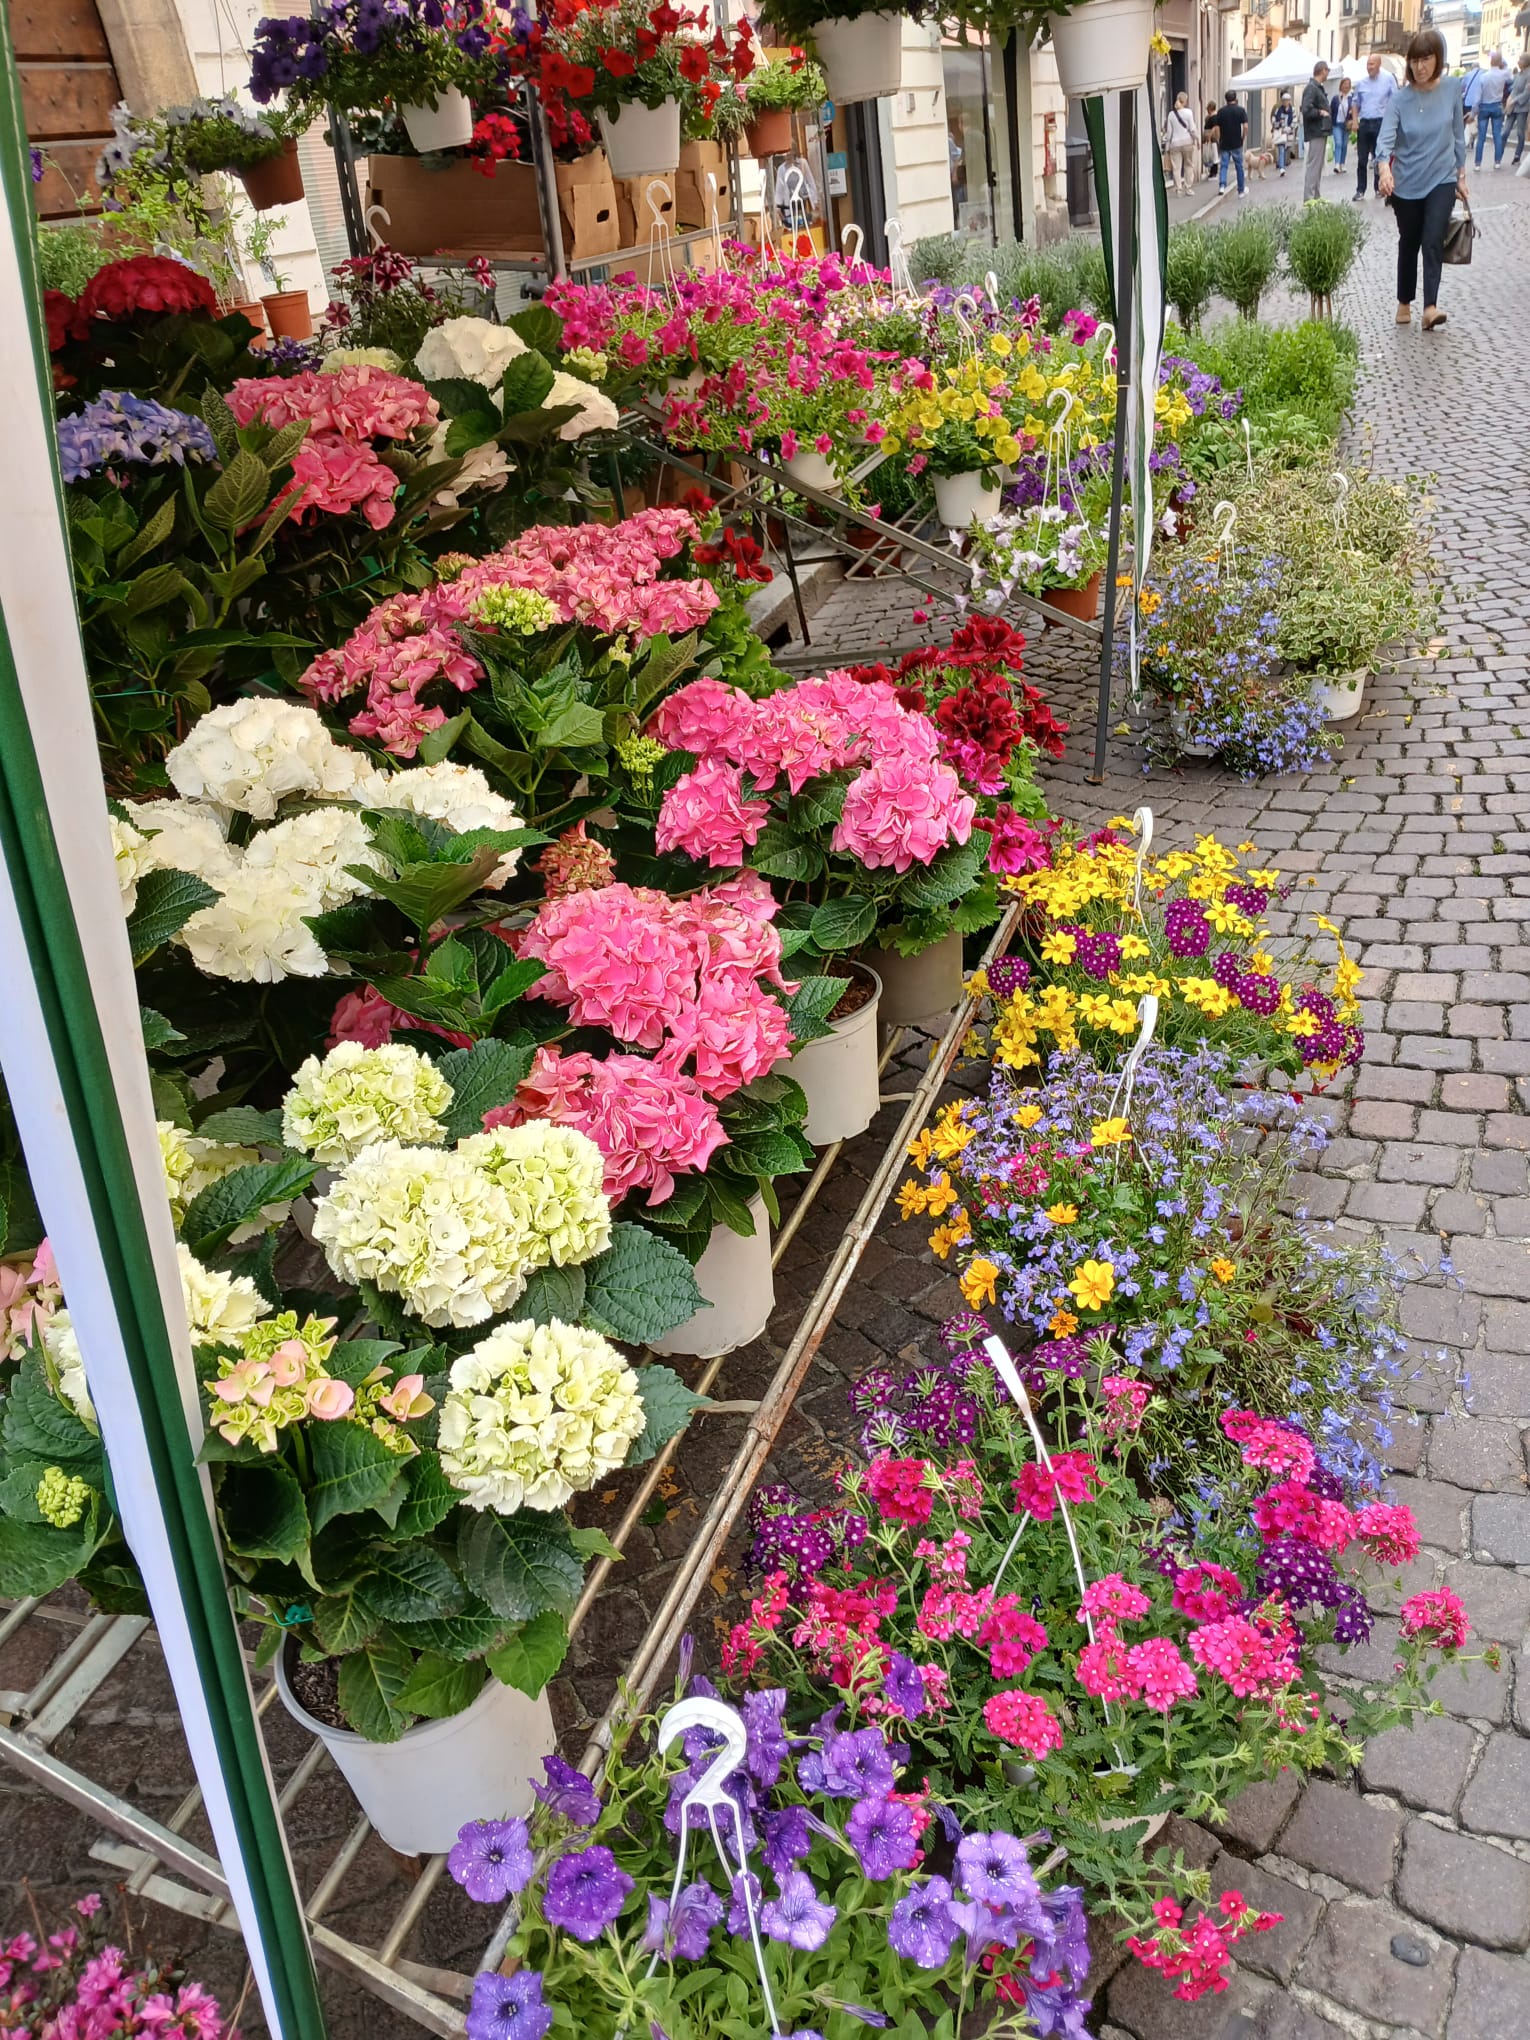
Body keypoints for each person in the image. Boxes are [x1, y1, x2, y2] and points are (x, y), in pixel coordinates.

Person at [1377, 27, 1467, 332]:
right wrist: (1384, 169)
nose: (1420, 66)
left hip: (1441, 179)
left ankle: (1430, 307)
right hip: (1407, 183)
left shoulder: (1453, 89)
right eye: (1415, 60)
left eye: (1426, 58)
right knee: (1410, 242)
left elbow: (1457, 134)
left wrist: (1461, 175)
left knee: (1432, 239)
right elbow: (1386, 139)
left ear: (1437, 59)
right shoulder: (1400, 100)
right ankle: (1404, 300)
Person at [1352, 52, 1397, 198]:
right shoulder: (1361, 83)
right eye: (1368, 64)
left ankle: (1379, 187)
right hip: (1365, 123)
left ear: (1379, 64)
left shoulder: (1388, 79)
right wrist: (1354, 121)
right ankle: (1360, 190)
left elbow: (1395, 100)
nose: (1369, 67)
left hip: (1381, 123)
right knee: (1362, 159)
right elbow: (1355, 103)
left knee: (1380, 157)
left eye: (1371, 64)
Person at [1473, 51, 1512, 167]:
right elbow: (1510, 77)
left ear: (1490, 62)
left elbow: (1477, 97)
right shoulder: (1503, 74)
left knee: (1481, 137)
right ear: (1499, 62)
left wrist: (1474, 111)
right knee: (1497, 135)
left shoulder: (1483, 77)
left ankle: (1478, 163)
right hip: (1497, 105)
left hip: (1484, 106)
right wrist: (1502, 63)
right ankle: (1497, 162)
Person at [1208, 89, 1249, 196]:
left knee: (1224, 165)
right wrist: (1243, 138)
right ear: (1235, 99)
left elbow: (1217, 127)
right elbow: (1245, 126)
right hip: (1236, 142)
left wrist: (1219, 139)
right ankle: (1241, 190)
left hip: (1224, 142)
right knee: (1239, 166)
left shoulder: (1221, 112)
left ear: (1226, 99)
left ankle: (1222, 186)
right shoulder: (1241, 110)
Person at [1301, 60, 1333, 198]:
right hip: (1316, 131)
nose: (1328, 74)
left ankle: (1316, 196)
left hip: (1320, 131)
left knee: (1318, 166)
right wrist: (1320, 112)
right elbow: (1306, 109)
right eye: (1327, 70)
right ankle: (1309, 198)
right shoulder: (1312, 88)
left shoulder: (1317, 87)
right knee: (1314, 166)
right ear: (1323, 70)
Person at [1163, 92, 1200, 192]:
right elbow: (1192, 129)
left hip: (1174, 144)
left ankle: (1178, 188)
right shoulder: (1188, 112)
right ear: (1185, 101)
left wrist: (1167, 147)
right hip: (1187, 143)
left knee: (1176, 167)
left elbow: (1169, 133)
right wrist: (1197, 139)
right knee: (1188, 165)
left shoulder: (1171, 115)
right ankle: (1188, 187)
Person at [1507, 54, 1530, 167]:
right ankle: (1498, 156)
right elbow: (1513, 89)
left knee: (1520, 133)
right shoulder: (1518, 74)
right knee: (1505, 131)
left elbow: (1526, 93)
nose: (1518, 61)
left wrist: (1515, 100)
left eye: (1520, 59)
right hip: (1512, 107)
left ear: (1526, 62)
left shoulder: (1529, 75)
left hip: (1522, 108)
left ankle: (1517, 156)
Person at [1331, 76, 1355, 169]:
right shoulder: (1336, 98)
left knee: (1344, 144)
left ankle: (1342, 163)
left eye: (1348, 85)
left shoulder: (1352, 98)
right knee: (1338, 143)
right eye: (1344, 84)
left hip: (1347, 124)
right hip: (1337, 124)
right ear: (1341, 86)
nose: (1346, 86)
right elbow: (1331, 110)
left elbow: (1356, 109)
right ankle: (1337, 164)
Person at [1271, 89, 1297, 174]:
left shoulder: (1292, 110)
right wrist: (1279, 127)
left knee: (1286, 150)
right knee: (1281, 149)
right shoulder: (1278, 109)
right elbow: (1273, 119)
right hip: (1280, 133)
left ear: (1289, 101)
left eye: (1287, 100)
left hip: (1288, 134)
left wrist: (1288, 129)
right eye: (1284, 100)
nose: (1285, 102)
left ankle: (1282, 164)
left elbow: (1294, 121)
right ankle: (1282, 168)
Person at [1202, 99, 1221, 178]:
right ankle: (1211, 171)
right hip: (1209, 137)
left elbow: (1215, 127)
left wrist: (1209, 135)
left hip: (1212, 138)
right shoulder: (1209, 117)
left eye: (1208, 108)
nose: (1207, 110)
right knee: (1211, 155)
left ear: (1210, 108)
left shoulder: (1214, 117)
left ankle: (1214, 171)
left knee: (1214, 154)